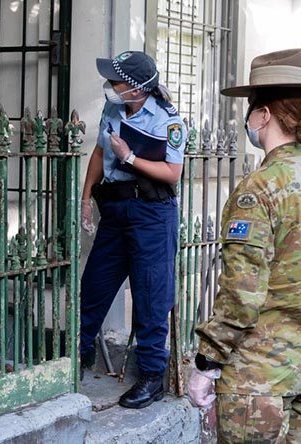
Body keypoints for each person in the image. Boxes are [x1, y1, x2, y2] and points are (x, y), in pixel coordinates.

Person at [189, 48, 301, 443]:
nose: (247, 119)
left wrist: (207, 362)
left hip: (260, 380)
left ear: (262, 115)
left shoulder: (257, 190)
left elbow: (242, 295)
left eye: (250, 110)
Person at [79, 50, 186, 409]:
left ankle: (152, 376)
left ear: (137, 88)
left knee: (150, 295)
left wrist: (129, 158)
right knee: (94, 285)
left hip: (152, 213)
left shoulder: (169, 121)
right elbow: (97, 152)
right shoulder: (113, 109)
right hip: (115, 209)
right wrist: (85, 198)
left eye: (117, 81)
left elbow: (172, 174)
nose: (110, 86)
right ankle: (75, 358)